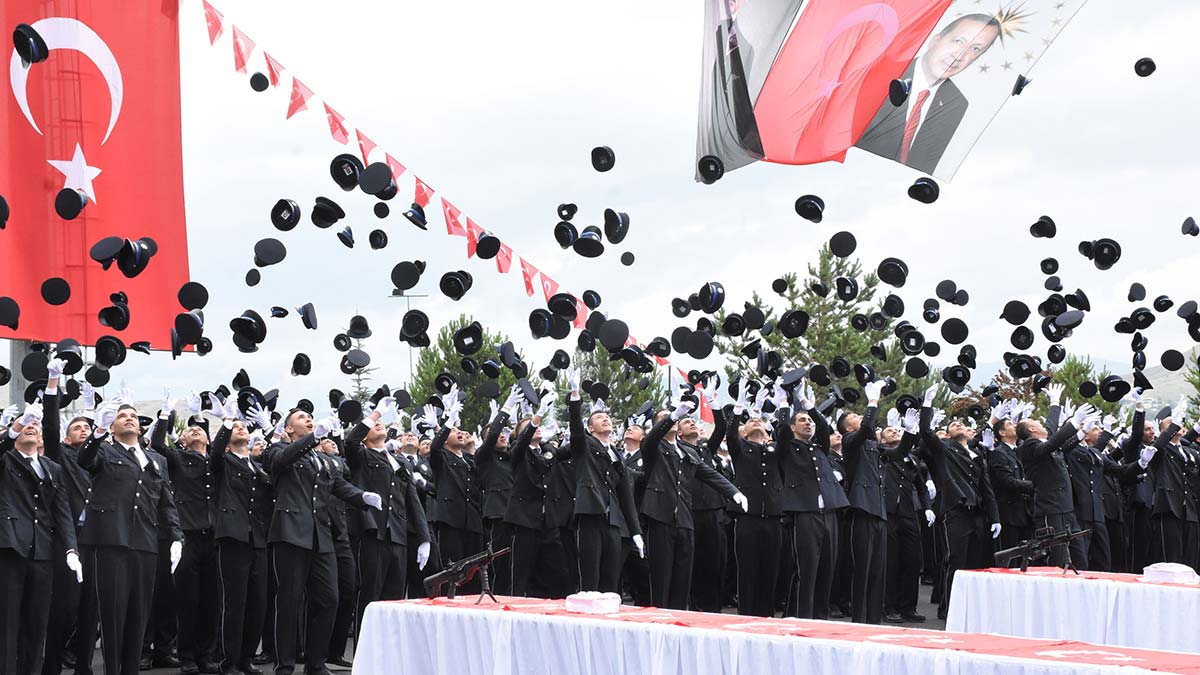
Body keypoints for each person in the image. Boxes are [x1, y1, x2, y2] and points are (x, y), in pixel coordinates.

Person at [265, 409, 381, 675]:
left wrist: (362, 497)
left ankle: (315, 663)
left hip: (322, 535)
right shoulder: (278, 449)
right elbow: (282, 460)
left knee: (329, 599)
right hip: (291, 533)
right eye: (302, 417)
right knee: (289, 601)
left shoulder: (321, 458)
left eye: (311, 417)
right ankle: (284, 665)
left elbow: (337, 485)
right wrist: (311, 439)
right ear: (290, 429)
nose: (309, 419)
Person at [78, 400, 183, 675]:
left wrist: (176, 537)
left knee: (139, 615)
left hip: (145, 542)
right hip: (111, 540)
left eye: (133, 416)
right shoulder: (103, 449)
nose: (129, 419)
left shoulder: (156, 460)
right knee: (113, 616)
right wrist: (97, 431)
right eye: (122, 416)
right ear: (112, 427)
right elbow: (85, 460)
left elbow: (166, 502)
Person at [856, 13, 1002, 174]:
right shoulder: (879, 74)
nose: (960, 55)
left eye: (975, 49)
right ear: (935, 40)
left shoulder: (956, 103)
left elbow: (923, 165)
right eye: (958, 41)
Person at [641, 394, 743, 611]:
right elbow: (650, 440)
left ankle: (679, 623)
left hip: (685, 520)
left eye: (674, 418)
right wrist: (673, 414)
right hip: (661, 516)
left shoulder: (688, 451)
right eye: (665, 418)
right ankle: (660, 623)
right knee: (662, 577)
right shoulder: (653, 448)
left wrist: (733, 492)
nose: (672, 420)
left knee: (682, 578)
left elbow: (708, 474)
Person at [342, 397, 430, 647]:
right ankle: (364, 653)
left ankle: (389, 653)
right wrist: (376, 413)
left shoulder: (399, 461)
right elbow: (350, 440)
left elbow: (412, 501)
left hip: (398, 536)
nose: (378, 426)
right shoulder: (360, 454)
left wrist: (424, 539)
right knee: (370, 596)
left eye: (380, 423)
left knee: (394, 600)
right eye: (372, 426)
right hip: (373, 533)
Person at [0, 399, 78, 675]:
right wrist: (15, 426)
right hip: (10, 549)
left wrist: (71, 550)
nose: (30, 426)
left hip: (43, 553)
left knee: (36, 624)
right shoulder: (5, 459)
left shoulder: (51, 468)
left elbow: (63, 511)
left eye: (34, 424)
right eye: (24, 424)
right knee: (7, 625)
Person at [917, 386, 1000, 621]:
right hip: (956, 512)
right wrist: (927, 405)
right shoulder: (944, 449)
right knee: (954, 561)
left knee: (974, 564)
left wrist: (994, 518)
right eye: (953, 425)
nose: (958, 425)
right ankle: (948, 607)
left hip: (977, 514)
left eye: (961, 424)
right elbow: (925, 432)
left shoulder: (977, 454)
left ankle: (968, 607)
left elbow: (987, 489)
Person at [151, 395, 220, 675]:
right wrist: (165, 414)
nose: (195, 430)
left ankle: (207, 654)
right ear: (181, 439)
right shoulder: (178, 458)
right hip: (187, 536)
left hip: (214, 536)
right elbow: (157, 444)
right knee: (188, 600)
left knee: (212, 601)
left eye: (200, 429)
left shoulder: (216, 461)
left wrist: (208, 419)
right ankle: (187, 655)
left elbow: (225, 449)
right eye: (190, 428)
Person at [838, 381, 913, 625]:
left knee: (877, 571)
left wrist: (910, 433)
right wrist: (871, 403)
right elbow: (865, 429)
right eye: (856, 417)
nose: (862, 418)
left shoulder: (873, 446)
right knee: (862, 569)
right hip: (861, 510)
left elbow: (899, 453)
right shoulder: (851, 442)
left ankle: (873, 619)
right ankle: (859, 619)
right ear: (849, 426)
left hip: (879, 512)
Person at [40, 364, 98, 675]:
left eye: (87, 428)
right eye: (77, 428)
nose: (84, 431)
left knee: (92, 610)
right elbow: (49, 427)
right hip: (68, 541)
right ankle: (51, 664)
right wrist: (53, 384)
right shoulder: (60, 455)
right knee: (64, 606)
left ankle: (84, 666)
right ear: (67, 437)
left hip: (99, 540)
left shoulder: (102, 457)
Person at [565, 367, 643, 593]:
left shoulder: (617, 454)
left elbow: (626, 497)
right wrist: (575, 395)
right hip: (589, 515)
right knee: (590, 579)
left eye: (607, 417)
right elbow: (576, 430)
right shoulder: (585, 446)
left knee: (611, 580)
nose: (605, 418)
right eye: (599, 417)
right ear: (591, 428)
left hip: (613, 522)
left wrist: (636, 531)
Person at [776, 383, 848, 620]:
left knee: (827, 568)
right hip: (804, 512)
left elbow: (823, 426)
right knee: (806, 569)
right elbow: (782, 434)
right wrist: (785, 405)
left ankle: (820, 617)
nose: (808, 423)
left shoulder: (819, 448)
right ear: (793, 427)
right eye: (802, 421)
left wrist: (808, 404)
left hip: (828, 511)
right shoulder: (788, 447)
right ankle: (800, 616)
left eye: (809, 421)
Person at [208, 412, 273, 675]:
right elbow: (213, 454)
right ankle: (229, 661)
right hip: (233, 536)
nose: (241, 429)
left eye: (243, 426)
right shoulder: (223, 460)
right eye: (236, 428)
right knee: (235, 602)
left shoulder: (257, 465)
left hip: (258, 538)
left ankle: (246, 657)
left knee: (258, 603)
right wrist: (226, 421)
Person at [1016, 385, 1091, 566]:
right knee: (1058, 561)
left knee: (1080, 560)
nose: (1043, 424)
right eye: (1037, 423)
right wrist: (1073, 424)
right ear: (1032, 429)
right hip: (1051, 510)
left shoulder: (1045, 443)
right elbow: (1051, 443)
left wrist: (1055, 403)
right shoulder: (1030, 446)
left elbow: (1054, 436)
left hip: (1066, 509)